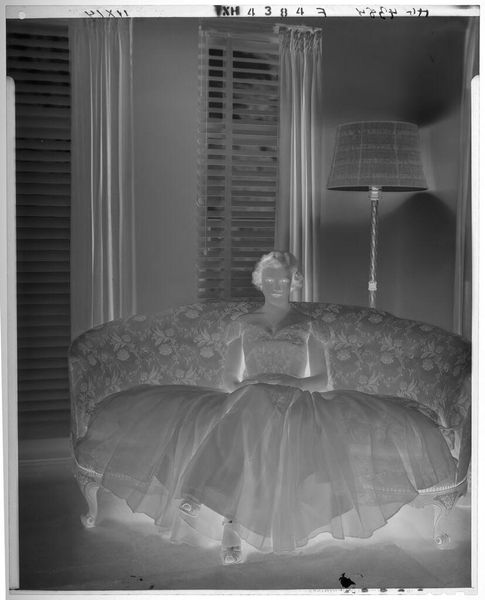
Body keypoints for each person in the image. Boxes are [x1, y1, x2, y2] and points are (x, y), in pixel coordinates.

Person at [75, 251, 457, 566]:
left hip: (295, 398)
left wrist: (287, 382)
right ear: (260, 281)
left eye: (283, 278)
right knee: (252, 402)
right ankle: (230, 526)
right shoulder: (243, 324)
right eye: (269, 278)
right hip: (249, 395)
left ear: (295, 281)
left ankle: (208, 505)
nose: (277, 284)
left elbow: (322, 379)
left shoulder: (309, 326)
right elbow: (230, 378)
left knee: (256, 410)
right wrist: (251, 385)